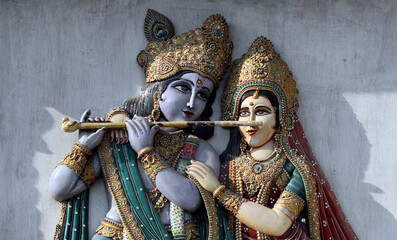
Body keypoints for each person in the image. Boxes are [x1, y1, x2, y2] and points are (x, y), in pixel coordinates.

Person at [50, 13, 233, 240]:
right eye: (183, 89)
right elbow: (60, 190)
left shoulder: (202, 151)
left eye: (202, 95)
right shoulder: (119, 140)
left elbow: (191, 200)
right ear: (158, 92)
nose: (192, 102)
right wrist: (84, 146)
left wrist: (146, 153)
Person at [187, 36, 358, 239]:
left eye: (260, 112)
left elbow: (277, 224)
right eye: (243, 113)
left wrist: (218, 190)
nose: (250, 121)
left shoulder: (294, 169)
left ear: (279, 117)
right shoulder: (227, 168)